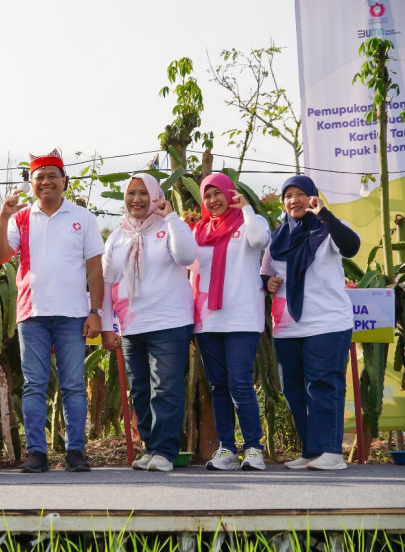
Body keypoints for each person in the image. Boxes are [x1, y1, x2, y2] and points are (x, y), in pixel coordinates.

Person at [0, 149, 104, 473]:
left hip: (72, 315)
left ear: (64, 181)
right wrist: (2, 216)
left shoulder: (83, 218)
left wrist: (95, 311)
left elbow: (95, 269)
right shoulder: (20, 218)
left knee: (72, 384)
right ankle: (37, 453)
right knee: (34, 385)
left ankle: (76, 452)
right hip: (32, 313)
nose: (46, 182)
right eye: (39, 177)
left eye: (52, 175)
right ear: (31, 183)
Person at [261, 175, 360, 471]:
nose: (294, 200)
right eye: (288, 195)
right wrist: (269, 282)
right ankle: (312, 450)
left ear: (312, 197)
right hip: (288, 326)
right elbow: (265, 273)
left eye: (301, 194)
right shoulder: (278, 238)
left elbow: (352, 246)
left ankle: (332, 452)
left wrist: (325, 215)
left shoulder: (327, 230)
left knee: (323, 385)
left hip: (327, 322)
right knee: (293, 389)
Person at [100, 173, 197, 472]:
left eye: (144, 193)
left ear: (155, 196)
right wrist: (107, 326)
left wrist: (171, 219)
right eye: (131, 194)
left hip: (169, 322)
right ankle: (152, 447)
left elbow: (186, 255)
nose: (136, 199)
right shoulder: (117, 237)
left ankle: (166, 452)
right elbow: (106, 283)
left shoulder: (167, 229)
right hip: (132, 326)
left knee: (165, 387)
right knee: (141, 390)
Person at [191, 173, 271, 471]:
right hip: (208, 321)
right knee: (219, 386)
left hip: (241, 318)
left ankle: (253, 448)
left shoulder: (250, 224)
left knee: (240, 383)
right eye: (207, 196)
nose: (213, 201)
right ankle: (226, 448)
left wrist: (247, 208)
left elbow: (260, 240)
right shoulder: (198, 232)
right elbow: (188, 269)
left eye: (217, 193)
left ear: (230, 192)